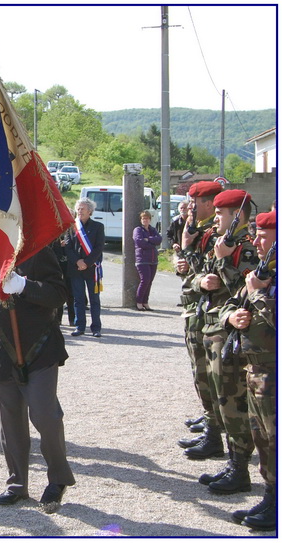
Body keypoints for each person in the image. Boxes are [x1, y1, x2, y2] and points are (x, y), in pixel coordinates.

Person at [0, 214, 75, 510]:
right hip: (3, 355)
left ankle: (57, 478)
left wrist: (25, 286)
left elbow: (59, 295)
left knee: (45, 416)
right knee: (10, 423)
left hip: (39, 351)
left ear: (0, 235)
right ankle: (17, 483)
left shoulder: (36, 256)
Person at [192, 189, 259, 493]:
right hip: (214, 327)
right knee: (222, 402)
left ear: (238, 215)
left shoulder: (245, 249)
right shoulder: (225, 244)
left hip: (233, 335)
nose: (216, 217)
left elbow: (245, 292)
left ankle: (240, 468)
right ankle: (234, 462)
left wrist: (223, 261)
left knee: (234, 404)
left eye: (222, 213)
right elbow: (203, 277)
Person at [220, 210, 277, 531]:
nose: (256, 240)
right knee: (263, 437)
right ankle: (271, 494)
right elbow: (231, 302)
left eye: (263, 235)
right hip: (254, 369)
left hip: (273, 371)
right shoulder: (264, 270)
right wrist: (231, 317)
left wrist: (256, 294)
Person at [175, 180, 224, 458]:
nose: (191, 208)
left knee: (210, 377)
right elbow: (194, 273)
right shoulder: (200, 232)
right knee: (201, 373)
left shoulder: (215, 236)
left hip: (209, 313)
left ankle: (215, 432)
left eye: (195, 203)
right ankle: (211, 424)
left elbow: (209, 280)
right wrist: (184, 251)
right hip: (197, 310)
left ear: (208, 202)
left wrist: (188, 259)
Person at [65, 197, 105, 338]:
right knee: (78, 298)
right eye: (78, 209)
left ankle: (96, 328)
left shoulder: (98, 227)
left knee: (94, 299)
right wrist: (78, 262)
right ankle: (79, 326)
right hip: (76, 269)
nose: (80, 211)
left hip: (92, 268)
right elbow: (68, 248)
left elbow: (99, 248)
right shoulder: (72, 226)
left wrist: (87, 262)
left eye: (83, 209)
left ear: (90, 211)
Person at [133, 210, 162, 311]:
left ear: (150, 219)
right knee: (144, 280)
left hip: (153, 259)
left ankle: (145, 302)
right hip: (142, 259)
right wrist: (152, 243)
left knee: (150, 282)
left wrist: (148, 239)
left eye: (147, 218)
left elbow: (159, 239)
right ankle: (139, 302)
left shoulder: (152, 229)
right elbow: (140, 242)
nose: (145, 220)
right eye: (143, 218)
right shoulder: (138, 230)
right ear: (141, 220)